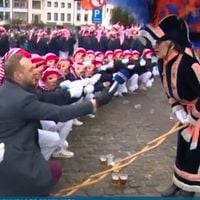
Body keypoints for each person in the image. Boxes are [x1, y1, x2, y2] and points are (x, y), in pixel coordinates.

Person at [0, 53, 116, 196]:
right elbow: (60, 113)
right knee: (52, 172)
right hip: (13, 160)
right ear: (18, 76)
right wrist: (95, 102)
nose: (35, 71)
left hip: (10, 147)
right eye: (30, 70)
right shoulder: (21, 98)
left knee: (51, 147)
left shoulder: (8, 89)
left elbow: (47, 99)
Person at [149, 15, 200, 197]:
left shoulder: (189, 63)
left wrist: (194, 116)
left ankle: (190, 188)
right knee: (182, 149)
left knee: (195, 153)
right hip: (186, 112)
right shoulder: (162, 62)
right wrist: (177, 108)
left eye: (158, 43)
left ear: (171, 43)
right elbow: (168, 89)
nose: (154, 47)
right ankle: (179, 182)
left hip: (198, 113)